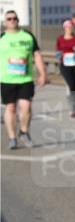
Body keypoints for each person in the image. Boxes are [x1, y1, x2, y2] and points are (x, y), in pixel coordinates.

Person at [0, 10, 46, 149]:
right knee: (11, 107)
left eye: (14, 18)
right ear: (5, 22)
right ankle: (12, 137)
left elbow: (37, 55)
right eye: (9, 19)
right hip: (7, 79)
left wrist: (43, 73)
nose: (12, 20)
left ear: (18, 20)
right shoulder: (1, 37)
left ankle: (24, 132)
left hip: (25, 79)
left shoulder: (28, 36)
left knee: (26, 106)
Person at [55, 19, 75, 117]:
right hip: (65, 65)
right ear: (64, 28)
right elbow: (57, 51)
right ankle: (71, 108)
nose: (69, 29)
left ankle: (73, 105)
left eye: (71, 27)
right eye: (67, 27)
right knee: (70, 85)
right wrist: (59, 57)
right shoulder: (60, 39)